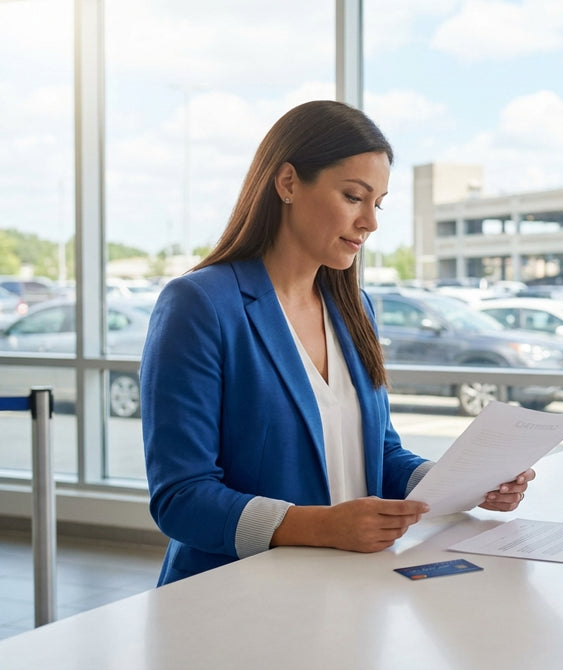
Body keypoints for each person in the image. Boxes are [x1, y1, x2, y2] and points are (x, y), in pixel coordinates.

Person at [141, 100, 533, 586]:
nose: (371, 221)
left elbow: (379, 453)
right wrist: (321, 526)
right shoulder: (200, 304)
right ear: (287, 183)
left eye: (379, 203)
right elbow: (181, 497)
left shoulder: (353, 308)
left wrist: (461, 485)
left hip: (347, 588)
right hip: (236, 595)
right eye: (354, 196)